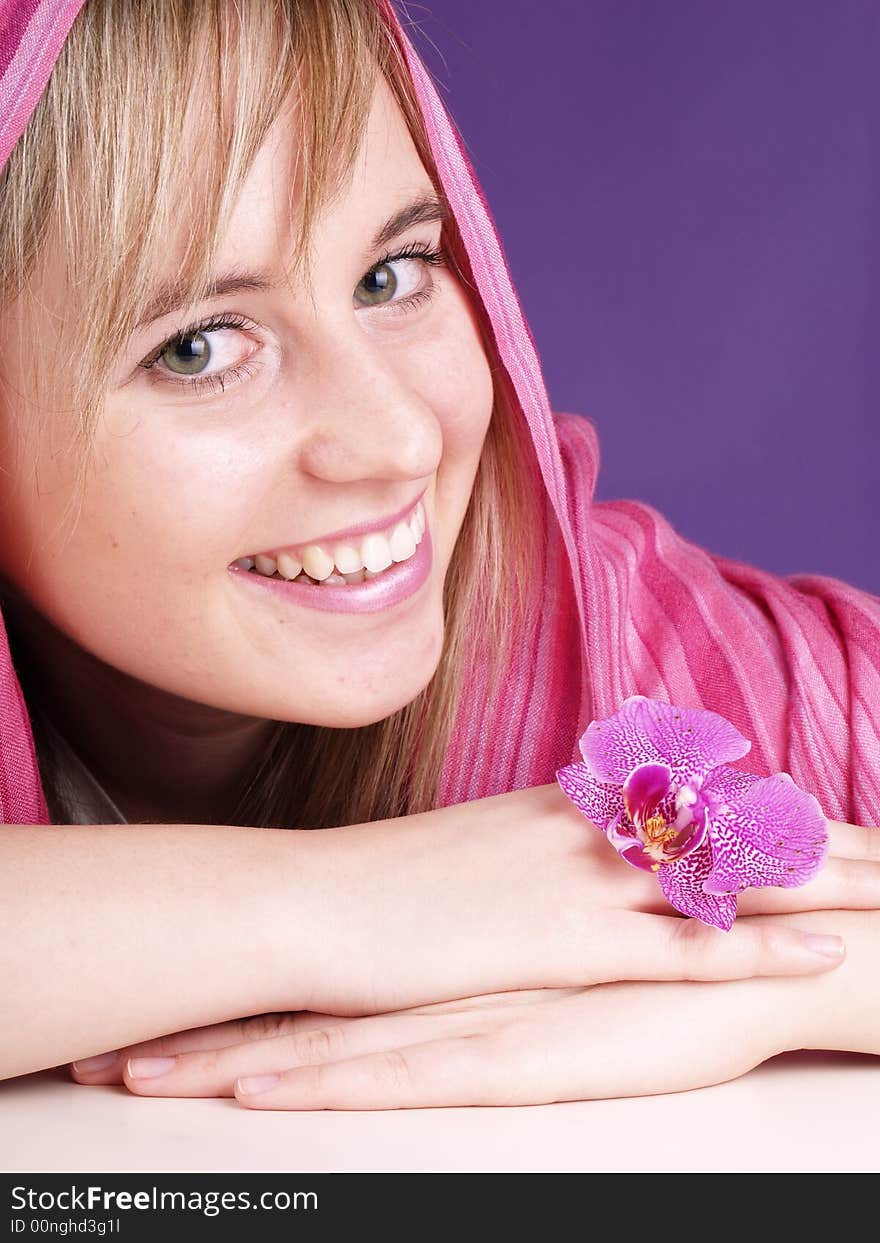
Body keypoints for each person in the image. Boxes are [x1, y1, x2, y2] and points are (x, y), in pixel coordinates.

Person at [1, 0, 879, 1111]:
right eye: (197, 346)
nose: (402, 439)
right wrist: (359, 905)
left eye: (393, 274)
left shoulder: (656, 658)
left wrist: (802, 986)